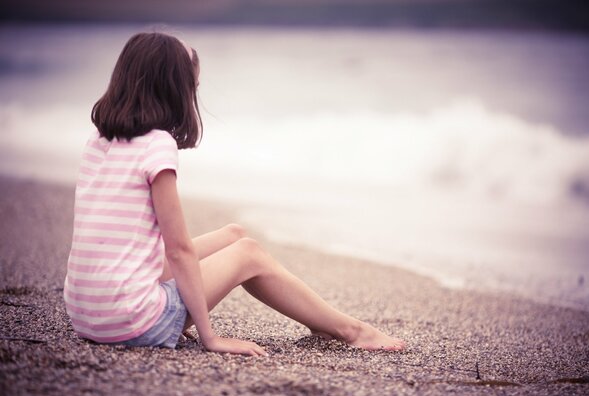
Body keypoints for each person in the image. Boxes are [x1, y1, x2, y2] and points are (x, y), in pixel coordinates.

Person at [64, 32, 405, 356]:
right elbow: (179, 250)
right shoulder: (157, 146)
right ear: (174, 91)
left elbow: (122, 244)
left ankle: (321, 323)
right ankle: (351, 330)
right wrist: (209, 336)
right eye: (192, 87)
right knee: (248, 254)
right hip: (134, 324)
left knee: (234, 235)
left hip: (86, 317)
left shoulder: (97, 141)